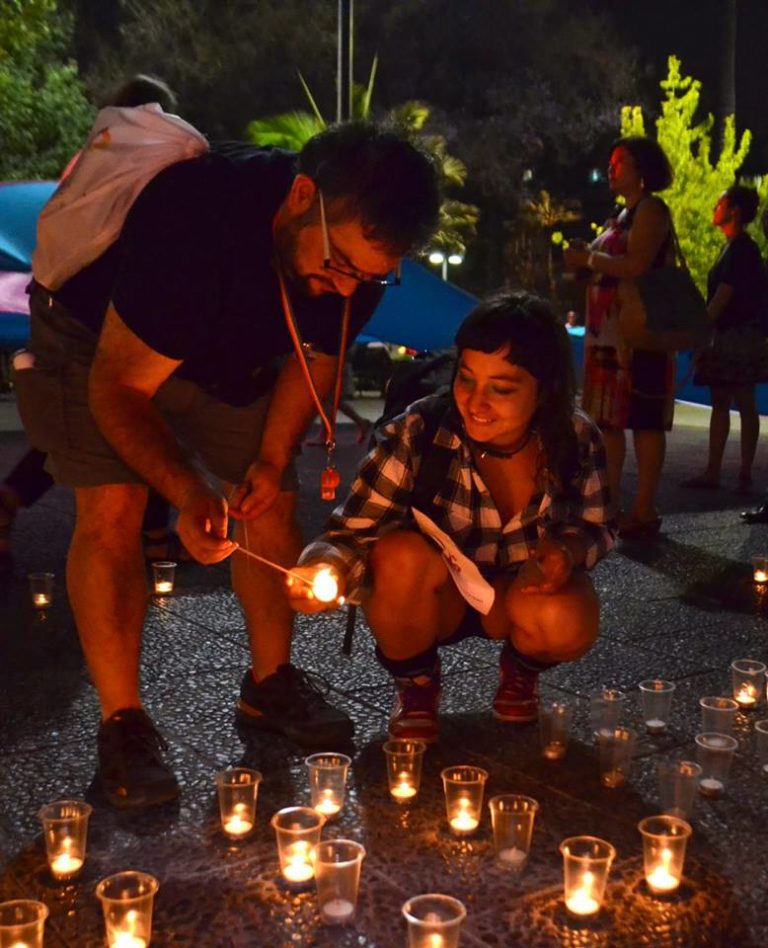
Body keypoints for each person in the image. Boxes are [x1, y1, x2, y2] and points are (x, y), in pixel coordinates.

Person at [16, 121, 440, 807]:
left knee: (267, 495)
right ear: (301, 196)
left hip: (225, 355)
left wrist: (271, 458)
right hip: (98, 341)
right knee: (114, 506)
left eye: (366, 277)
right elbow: (119, 391)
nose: (344, 288)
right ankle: (123, 722)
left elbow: (318, 357)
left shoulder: (356, 263)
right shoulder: (197, 220)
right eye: (338, 265)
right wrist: (188, 494)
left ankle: (270, 683)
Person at [287, 292, 615, 742]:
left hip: (521, 594)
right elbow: (352, 533)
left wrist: (568, 550)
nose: (476, 402)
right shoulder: (419, 431)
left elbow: (597, 524)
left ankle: (521, 670)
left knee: (568, 618)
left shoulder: (574, 438)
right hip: (437, 598)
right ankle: (418, 684)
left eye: (501, 389)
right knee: (396, 555)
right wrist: (322, 568)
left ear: (545, 390)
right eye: (466, 378)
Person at [1, 75, 186, 573]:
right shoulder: (152, 167)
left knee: (85, 426)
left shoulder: (88, 165)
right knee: (135, 420)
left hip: (66, 308)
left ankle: (11, 502)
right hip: (109, 313)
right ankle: (149, 537)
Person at [564, 136, 675, 539]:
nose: (611, 169)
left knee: (644, 420)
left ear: (641, 169)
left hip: (637, 333)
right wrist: (583, 262)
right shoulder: (622, 214)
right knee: (609, 422)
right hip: (608, 336)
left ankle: (644, 508)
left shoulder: (651, 210)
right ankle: (610, 503)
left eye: (619, 162)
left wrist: (589, 258)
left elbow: (637, 264)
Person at [680, 186, 768, 495]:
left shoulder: (742, 249)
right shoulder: (732, 247)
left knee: (742, 399)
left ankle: (743, 472)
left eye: (721, 202)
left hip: (738, 336)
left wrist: (699, 329)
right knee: (723, 400)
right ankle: (716, 470)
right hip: (729, 334)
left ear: (734, 211)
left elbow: (723, 296)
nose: (715, 207)